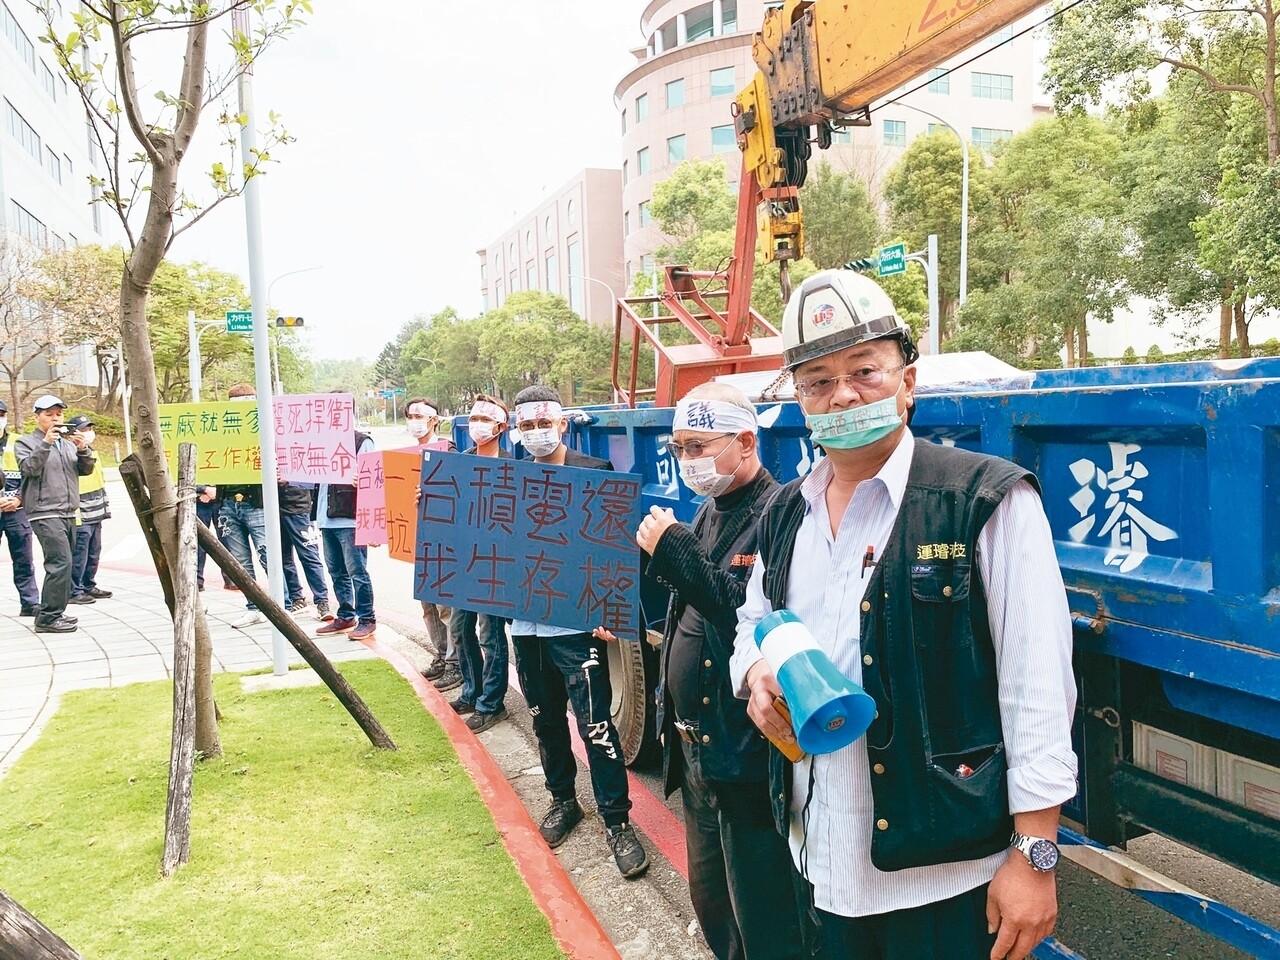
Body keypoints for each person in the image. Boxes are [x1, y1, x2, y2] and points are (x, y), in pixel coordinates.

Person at [729, 269, 1077, 960]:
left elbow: (1036, 687)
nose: (844, 394)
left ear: (908, 382)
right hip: (817, 857)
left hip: (947, 878)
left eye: (865, 370)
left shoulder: (985, 500)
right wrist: (757, 671)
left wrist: (1035, 853)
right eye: (818, 381)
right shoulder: (784, 512)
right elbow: (754, 618)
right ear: (799, 400)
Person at [627, 382, 804, 960]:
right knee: (711, 896)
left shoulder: (781, 514)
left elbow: (752, 617)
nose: (688, 462)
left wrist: (674, 550)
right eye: (679, 448)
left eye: (698, 446)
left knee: (765, 906)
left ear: (746, 441)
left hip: (746, 756)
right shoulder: (709, 512)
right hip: (698, 749)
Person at [508, 384, 649, 879]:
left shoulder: (593, 473)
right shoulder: (505, 479)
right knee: (545, 719)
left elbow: (615, 548)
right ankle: (564, 800)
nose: (536, 434)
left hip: (575, 624)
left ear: (562, 423)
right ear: (516, 430)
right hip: (525, 624)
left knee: (595, 724)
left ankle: (617, 821)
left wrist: (615, 609)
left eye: (543, 424)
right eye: (526, 427)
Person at [446, 394, 512, 734]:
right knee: (459, 629)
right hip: (465, 562)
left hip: (497, 564)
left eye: (484, 420)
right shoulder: (459, 464)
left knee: (491, 634)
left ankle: (492, 703)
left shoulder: (517, 467)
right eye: (473, 418)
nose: (477, 426)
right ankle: (470, 692)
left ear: (501, 427)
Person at [14, 395, 96, 633]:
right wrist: (46, 443)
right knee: (60, 562)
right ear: (37, 416)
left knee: (65, 563)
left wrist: (83, 449)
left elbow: (85, 470)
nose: (54, 418)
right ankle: (47, 618)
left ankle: (54, 610)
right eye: (48, 414)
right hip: (43, 511)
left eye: (58, 414)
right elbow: (29, 468)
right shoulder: (26, 442)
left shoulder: (68, 443)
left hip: (68, 511)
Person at [404, 397, 459, 687]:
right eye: (410, 414)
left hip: (442, 539)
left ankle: (455, 662)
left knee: (446, 607)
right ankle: (440, 655)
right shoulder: (403, 455)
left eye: (419, 415)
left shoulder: (446, 450)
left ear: (434, 419)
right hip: (416, 539)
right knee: (427, 605)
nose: (414, 420)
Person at [213, 383, 272, 627]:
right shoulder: (221, 430)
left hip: (256, 502)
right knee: (239, 561)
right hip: (228, 503)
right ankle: (252, 606)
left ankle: (284, 603)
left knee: (268, 554)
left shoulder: (266, 429)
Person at [314, 421, 377, 641]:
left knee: (357, 571)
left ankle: (367, 618)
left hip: (350, 519)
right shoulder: (321, 442)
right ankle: (346, 614)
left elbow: (374, 481)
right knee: (336, 571)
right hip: (326, 517)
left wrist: (372, 526)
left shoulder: (361, 441)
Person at [66, 414, 113, 604]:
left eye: (89, 429)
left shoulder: (91, 451)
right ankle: (74, 590)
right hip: (80, 513)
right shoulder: (69, 452)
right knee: (80, 553)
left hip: (96, 511)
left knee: (94, 552)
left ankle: (88, 584)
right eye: (84, 430)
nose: (88, 433)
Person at [0, 398, 40, 617]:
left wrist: (18, 499)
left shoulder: (19, 442)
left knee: (24, 560)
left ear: (6, 417)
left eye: (0, 415)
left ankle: (30, 602)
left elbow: (31, 477)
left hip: (16, 511)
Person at [278, 479, 335, 621]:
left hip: (298, 506)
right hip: (268, 506)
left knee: (309, 556)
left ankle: (322, 603)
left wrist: (289, 478)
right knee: (282, 557)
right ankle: (296, 598)